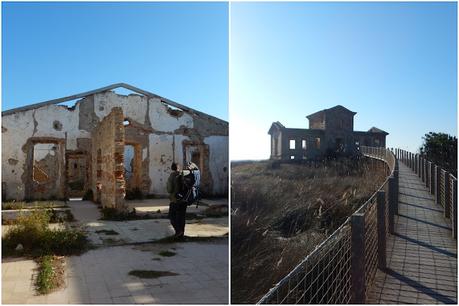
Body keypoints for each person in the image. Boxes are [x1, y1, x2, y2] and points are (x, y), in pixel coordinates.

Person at [166, 162, 186, 238]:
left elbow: (169, 189)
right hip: (184, 200)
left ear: (172, 168)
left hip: (175, 200)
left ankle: (178, 231)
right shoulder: (184, 175)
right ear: (179, 167)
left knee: (172, 216)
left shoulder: (172, 176)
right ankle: (181, 234)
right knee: (182, 217)